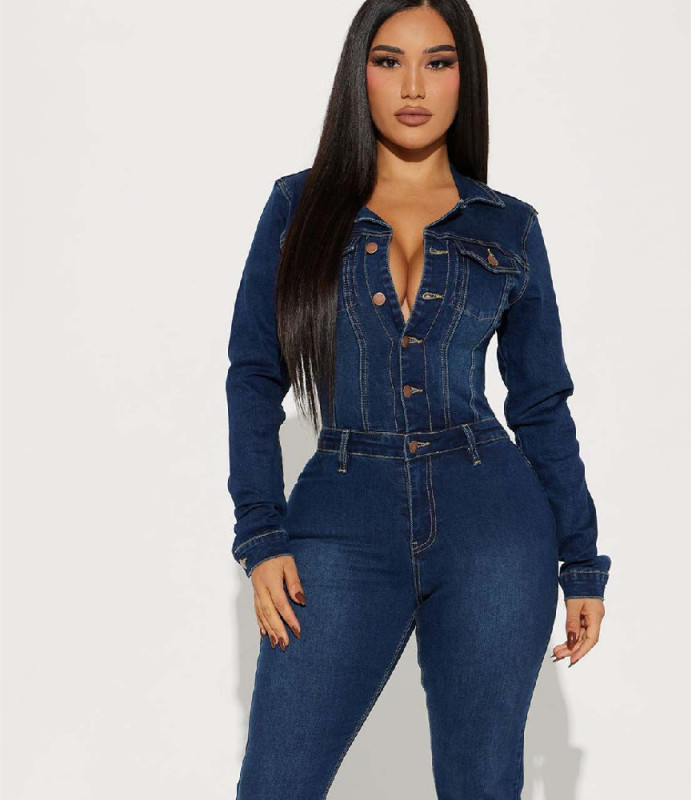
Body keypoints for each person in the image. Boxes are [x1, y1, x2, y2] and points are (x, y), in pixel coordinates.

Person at [225, 1, 612, 797]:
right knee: (276, 782)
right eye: (388, 61)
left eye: (438, 62)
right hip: (339, 515)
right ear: (358, 74)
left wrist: (581, 562)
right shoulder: (298, 208)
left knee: (481, 783)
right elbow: (254, 375)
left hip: (492, 523)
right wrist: (261, 535)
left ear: (465, 77)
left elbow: (541, 404)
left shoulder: (508, 227)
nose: (413, 86)